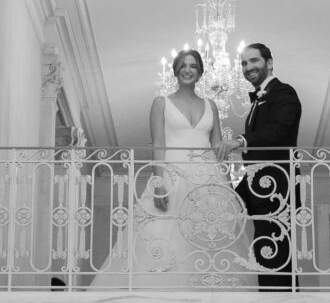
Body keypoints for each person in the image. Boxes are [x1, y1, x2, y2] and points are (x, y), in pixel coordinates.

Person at [90, 49, 257, 289]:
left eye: (193, 66)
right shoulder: (161, 103)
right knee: (164, 236)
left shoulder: (211, 105)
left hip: (207, 178)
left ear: (200, 72)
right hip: (172, 175)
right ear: (176, 71)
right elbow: (158, 145)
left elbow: (218, 148)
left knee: (209, 237)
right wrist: (159, 184)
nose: (188, 70)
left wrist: (228, 188)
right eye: (183, 65)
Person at [217, 43, 302, 290]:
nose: (248, 67)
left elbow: (279, 130)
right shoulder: (257, 100)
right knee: (262, 249)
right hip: (260, 185)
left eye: (254, 61)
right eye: (244, 63)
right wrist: (231, 193)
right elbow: (259, 159)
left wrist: (240, 141)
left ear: (270, 63)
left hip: (278, 187)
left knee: (276, 251)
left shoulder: (284, 92)